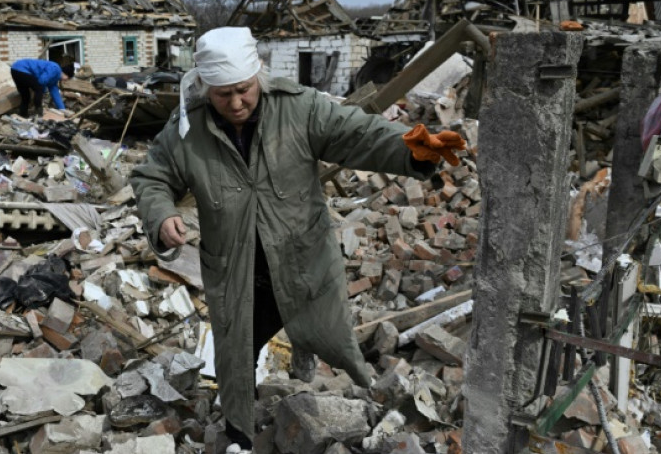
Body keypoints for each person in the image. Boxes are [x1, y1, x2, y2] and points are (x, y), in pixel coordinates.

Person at [128, 27, 466, 452]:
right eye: (222, 94)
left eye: (243, 90)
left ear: (259, 76)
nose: (235, 103)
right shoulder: (187, 130)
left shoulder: (301, 110)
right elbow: (152, 177)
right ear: (204, 89)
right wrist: (161, 216)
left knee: (335, 341)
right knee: (236, 354)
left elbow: (359, 134)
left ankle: (375, 410)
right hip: (237, 270)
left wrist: (414, 152)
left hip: (303, 263)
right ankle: (238, 436)